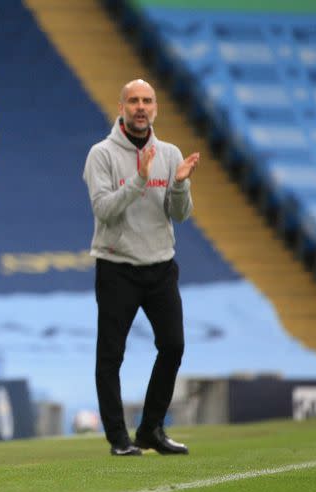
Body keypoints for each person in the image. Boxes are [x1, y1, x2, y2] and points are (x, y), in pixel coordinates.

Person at [82, 79, 200, 456]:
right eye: (133, 100)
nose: (140, 107)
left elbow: (180, 215)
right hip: (117, 265)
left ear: (155, 108)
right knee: (110, 356)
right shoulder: (101, 154)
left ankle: (150, 429)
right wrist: (138, 180)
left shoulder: (168, 153)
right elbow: (103, 209)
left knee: (173, 346)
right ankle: (119, 439)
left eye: (147, 100)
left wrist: (179, 186)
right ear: (121, 107)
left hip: (161, 264)